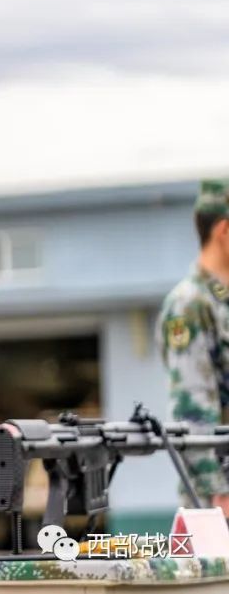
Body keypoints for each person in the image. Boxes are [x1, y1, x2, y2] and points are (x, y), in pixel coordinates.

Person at [158, 178, 229, 514]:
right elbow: (192, 406)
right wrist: (218, 494)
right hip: (219, 500)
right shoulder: (190, 305)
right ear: (224, 232)